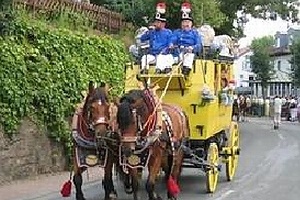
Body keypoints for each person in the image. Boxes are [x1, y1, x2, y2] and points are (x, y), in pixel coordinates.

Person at [140, 7, 174, 74]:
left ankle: (158, 71)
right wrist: (148, 31)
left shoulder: (168, 32)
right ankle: (144, 71)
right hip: (152, 55)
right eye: (155, 22)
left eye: (158, 22)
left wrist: (169, 47)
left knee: (160, 57)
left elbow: (170, 44)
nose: (155, 24)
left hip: (163, 55)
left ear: (163, 24)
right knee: (144, 58)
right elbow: (142, 38)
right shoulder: (152, 32)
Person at [170, 8, 201, 76]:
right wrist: (171, 44)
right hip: (177, 54)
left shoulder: (195, 33)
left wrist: (192, 48)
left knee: (189, 56)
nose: (185, 24)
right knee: (167, 57)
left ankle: (185, 72)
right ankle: (165, 71)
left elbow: (199, 45)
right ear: (181, 23)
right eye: (184, 22)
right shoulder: (177, 32)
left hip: (190, 54)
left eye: (187, 22)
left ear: (191, 23)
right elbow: (172, 40)